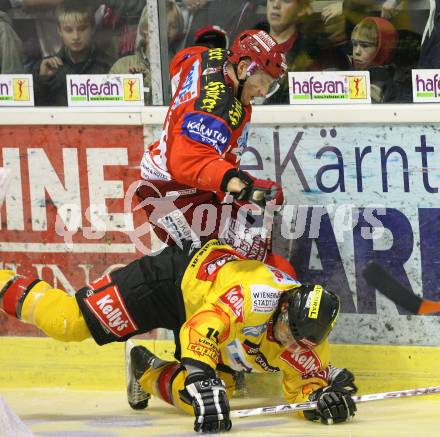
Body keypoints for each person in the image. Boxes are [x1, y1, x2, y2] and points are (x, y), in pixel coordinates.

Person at [0, 238, 357, 433]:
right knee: (69, 323)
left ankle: (144, 367)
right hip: (173, 282)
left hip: (213, 323)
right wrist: (204, 377)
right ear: (283, 307)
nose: (288, 343)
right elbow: (201, 326)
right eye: (286, 331)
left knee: (204, 400)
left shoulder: (308, 340)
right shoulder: (258, 295)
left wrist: (322, 403)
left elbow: (305, 389)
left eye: (298, 342)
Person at [138, 29, 295, 275]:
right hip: (173, 191)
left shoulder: (211, 58)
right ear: (243, 68)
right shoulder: (216, 109)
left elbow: (181, 60)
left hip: (185, 183)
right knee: (237, 269)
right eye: (264, 82)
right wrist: (247, 186)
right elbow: (187, 161)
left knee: (254, 250)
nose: (264, 92)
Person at [32, 3, 113, 106]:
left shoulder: (108, 66)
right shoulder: (47, 67)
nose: (75, 36)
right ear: (59, 31)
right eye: (68, 30)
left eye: (82, 29)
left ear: (92, 28)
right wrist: (43, 79)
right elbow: (35, 110)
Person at [350, 16, 412, 103]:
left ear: (382, 49)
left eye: (365, 46)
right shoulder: (350, 75)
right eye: (354, 44)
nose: (356, 52)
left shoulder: (391, 83)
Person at [109, 5, 152, 105]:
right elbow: (108, 101)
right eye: (160, 26)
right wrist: (132, 80)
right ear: (144, 30)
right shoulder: (122, 65)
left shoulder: (179, 66)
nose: (165, 31)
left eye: (172, 26)